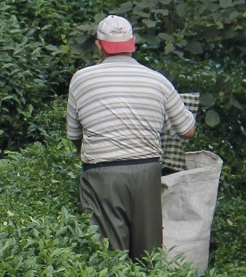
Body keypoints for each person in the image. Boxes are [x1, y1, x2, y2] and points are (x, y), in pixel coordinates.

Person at [65, 15, 197, 260]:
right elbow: (187, 130)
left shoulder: (81, 79)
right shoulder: (158, 80)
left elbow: (74, 134)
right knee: (148, 255)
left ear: (99, 46)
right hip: (146, 171)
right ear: (133, 44)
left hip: (101, 175)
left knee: (109, 257)